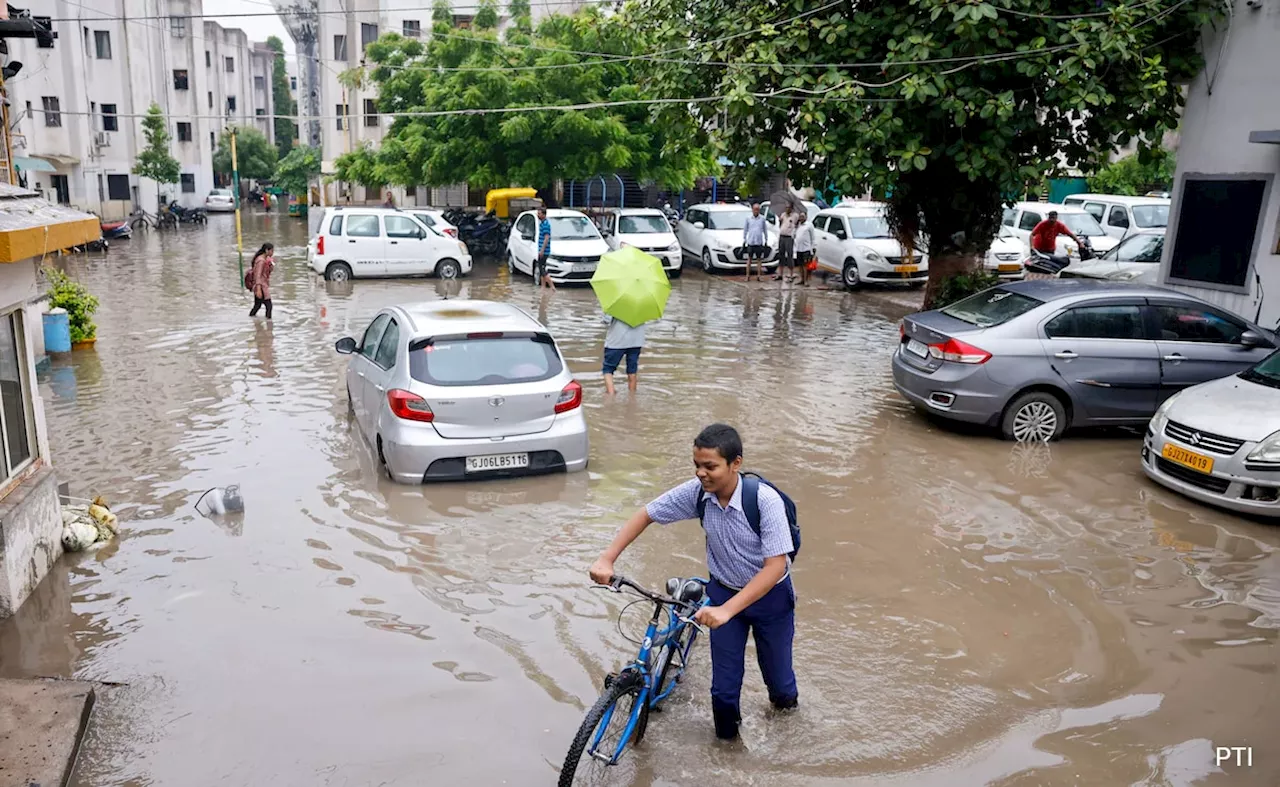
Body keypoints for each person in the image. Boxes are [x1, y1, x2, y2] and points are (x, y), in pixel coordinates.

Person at [589, 424, 797, 741]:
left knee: (781, 689)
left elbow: (775, 566)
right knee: (723, 694)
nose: (701, 473)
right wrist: (607, 558)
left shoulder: (765, 502)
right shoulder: (699, 493)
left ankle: (787, 740)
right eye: (697, 465)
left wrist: (727, 610)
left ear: (735, 464)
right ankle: (728, 756)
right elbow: (647, 513)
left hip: (770, 598)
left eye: (710, 466)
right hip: (724, 592)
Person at [601, 313, 648, 395]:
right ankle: (632, 397)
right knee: (632, 371)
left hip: (616, 342)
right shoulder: (643, 304)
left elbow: (606, 321)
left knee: (608, 369)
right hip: (636, 341)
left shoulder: (616, 303)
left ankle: (611, 396)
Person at [743, 203, 768, 283]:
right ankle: (747, 276)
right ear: (752, 210)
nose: (756, 211)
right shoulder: (748, 218)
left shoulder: (762, 219)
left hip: (759, 242)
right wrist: (744, 239)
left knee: (759, 259)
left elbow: (765, 229)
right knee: (749, 259)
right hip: (751, 241)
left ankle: (759, 276)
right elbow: (745, 229)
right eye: (755, 209)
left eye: (757, 209)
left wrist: (766, 239)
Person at [248, 242, 275, 319]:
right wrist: (258, 289)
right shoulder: (261, 261)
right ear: (267, 250)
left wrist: (270, 267)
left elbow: (265, 274)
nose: (272, 253)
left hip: (262, 285)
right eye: (271, 251)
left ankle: (253, 320)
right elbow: (258, 275)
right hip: (261, 286)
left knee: (257, 305)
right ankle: (269, 324)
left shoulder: (265, 260)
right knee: (269, 306)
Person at [773, 205, 798, 282]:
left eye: (789, 207)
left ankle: (791, 274)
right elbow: (780, 224)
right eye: (786, 207)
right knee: (781, 255)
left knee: (790, 255)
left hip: (789, 237)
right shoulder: (783, 214)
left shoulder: (795, 216)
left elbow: (797, 225)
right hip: (782, 236)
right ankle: (780, 274)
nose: (787, 209)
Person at [535, 207, 555, 291]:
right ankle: (543, 287)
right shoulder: (542, 223)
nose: (538, 215)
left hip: (544, 251)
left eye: (539, 213)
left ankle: (552, 287)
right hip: (541, 250)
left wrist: (542, 250)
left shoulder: (546, 224)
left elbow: (546, 238)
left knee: (542, 270)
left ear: (543, 214)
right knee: (541, 268)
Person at [794, 212, 814, 287]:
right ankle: (801, 279)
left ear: (806, 217)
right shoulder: (798, 225)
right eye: (800, 216)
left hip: (806, 248)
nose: (801, 218)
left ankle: (806, 280)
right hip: (799, 248)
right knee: (800, 265)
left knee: (806, 265)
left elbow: (813, 238)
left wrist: (812, 249)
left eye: (803, 216)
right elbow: (794, 235)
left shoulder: (809, 225)